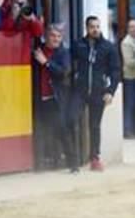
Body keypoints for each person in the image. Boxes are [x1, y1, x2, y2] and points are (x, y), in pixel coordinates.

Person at [71, 15, 120, 171]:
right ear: (87, 28)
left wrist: (111, 91)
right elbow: (70, 65)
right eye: (92, 27)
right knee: (73, 120)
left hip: (99, 92)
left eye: (98, 26)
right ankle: (74, 158)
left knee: (94, 126)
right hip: (80, 91)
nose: (95, 29)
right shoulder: (78, 45)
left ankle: (95, 158)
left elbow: (116, 71)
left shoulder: (109, 47)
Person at [34, 24, 79, 172]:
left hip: (56, 97)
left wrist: (46, 63)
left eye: (59, 36)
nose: (56, 39)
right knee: (40, 130)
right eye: (53, 36)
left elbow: (62, 73)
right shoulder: (38, 50)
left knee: (62, 130)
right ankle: (42, 163)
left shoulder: (63, 53)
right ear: (46, 37)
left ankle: (73, 164)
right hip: (40, 97)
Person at [120, 19, 135, 138]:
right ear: (128, 29)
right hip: (131, 78)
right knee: (130, 104)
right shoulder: (126, 42)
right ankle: (128, 130)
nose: (134, 29)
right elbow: (129, 62)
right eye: (132, 27)